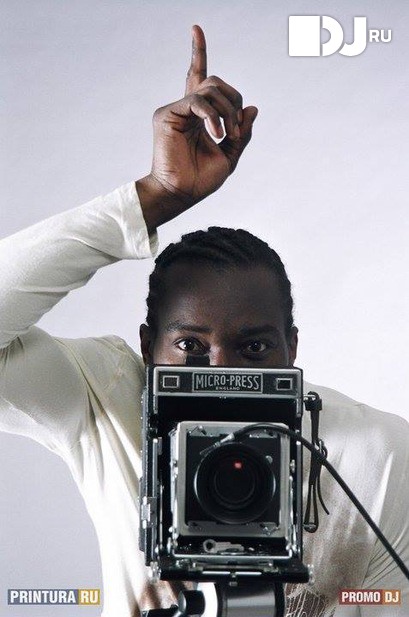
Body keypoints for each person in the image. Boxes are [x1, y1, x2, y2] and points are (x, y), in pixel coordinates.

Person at [0, 25, 408, 617]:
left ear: (291, 348)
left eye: (254, 349)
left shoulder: (379, 458)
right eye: (191, 347)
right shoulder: (104, 400)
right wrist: (155, 195)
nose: (222, 375)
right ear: (147, 348)